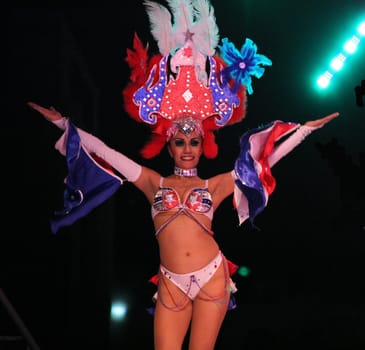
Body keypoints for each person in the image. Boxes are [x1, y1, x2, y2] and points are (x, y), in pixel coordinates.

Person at [27, 1, 340, 349]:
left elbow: (267, 160)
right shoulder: (151, 181)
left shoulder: (215, 184)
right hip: (170, 281)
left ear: (202, 143)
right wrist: (61, 123)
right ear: (170, 146)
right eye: (180, 141)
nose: (188, 148)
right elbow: (105, 152)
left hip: (212, 278)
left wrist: (304, 131)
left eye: (193, 141)